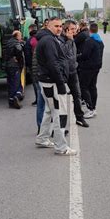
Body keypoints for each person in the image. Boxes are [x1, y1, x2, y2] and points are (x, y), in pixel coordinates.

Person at [35, 17, 77, 156]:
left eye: (60, 26)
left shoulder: (49, 39)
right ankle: (61, 147)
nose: (59, 28)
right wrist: (60, 83)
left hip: (47, 81)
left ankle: (42, 138)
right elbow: (53, 63)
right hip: (52, 82)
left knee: (49, 110)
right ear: (48, 25)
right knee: (60, 113)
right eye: (56, 26)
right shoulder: (49, 41)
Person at [60, 20, 89, 128]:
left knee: (77, 95)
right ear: (66, 29)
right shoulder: (61, 40)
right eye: (72, 29)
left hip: (73, 71)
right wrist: (68, 40)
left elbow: (73, 54)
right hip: (63, 73)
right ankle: (61, 126)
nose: (74, 31)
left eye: (75, 29)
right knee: (61, 99)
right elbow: (64, 54)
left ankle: (79, 118)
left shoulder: (72, 39)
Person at [77, 22, 104, 119]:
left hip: (88, 68)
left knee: (84, 87)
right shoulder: (100, 40)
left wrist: (76, 57)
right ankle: (94, 107)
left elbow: (85, 55)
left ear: (89, 30)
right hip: (96, 67)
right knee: (92, 87)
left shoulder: (90, 41)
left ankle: (90, 108)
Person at [5, 30, 24, 109]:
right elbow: (19, 51)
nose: (21, 37)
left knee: (10, 83)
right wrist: (20, 61)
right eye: (20, 35)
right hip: (15, 65)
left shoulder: (8, 42)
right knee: (16, 83)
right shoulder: (16, 43)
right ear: (17, 36)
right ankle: (15, 97)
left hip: (8, 65)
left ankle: (11, 101)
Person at [24, 24, 39, 105]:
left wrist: (28, 66)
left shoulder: (30, 41)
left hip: (33, 65)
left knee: (35, 83)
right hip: (42, 64)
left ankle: (38, 100)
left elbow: (27, 55)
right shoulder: (41, 38)